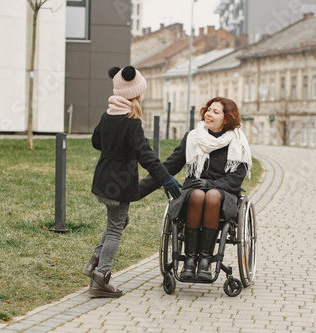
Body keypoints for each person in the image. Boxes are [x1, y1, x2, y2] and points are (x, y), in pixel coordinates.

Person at [84, 66, 182, 298]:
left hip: (102, 180)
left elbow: (96, 142)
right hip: (119, 184)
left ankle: (94, 264)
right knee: (117, 227)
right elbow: (145, 155)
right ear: (135, 94)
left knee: (118, 221)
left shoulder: (107, 115)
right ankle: (101, 278)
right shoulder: (131, 121)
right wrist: (165, 177)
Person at [139, 97, 251, 281]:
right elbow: (169, 167)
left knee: (212, 196)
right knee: (199, 195)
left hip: (224, 194)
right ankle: (190, 259)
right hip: (193, 193)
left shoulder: (238, 142)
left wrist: (211, 185)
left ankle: (205, 260)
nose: (209, 114)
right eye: (208, 110)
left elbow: (236, 179)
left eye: (216, 112)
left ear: (227, 118)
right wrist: (138, 191)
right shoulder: (192, 137)